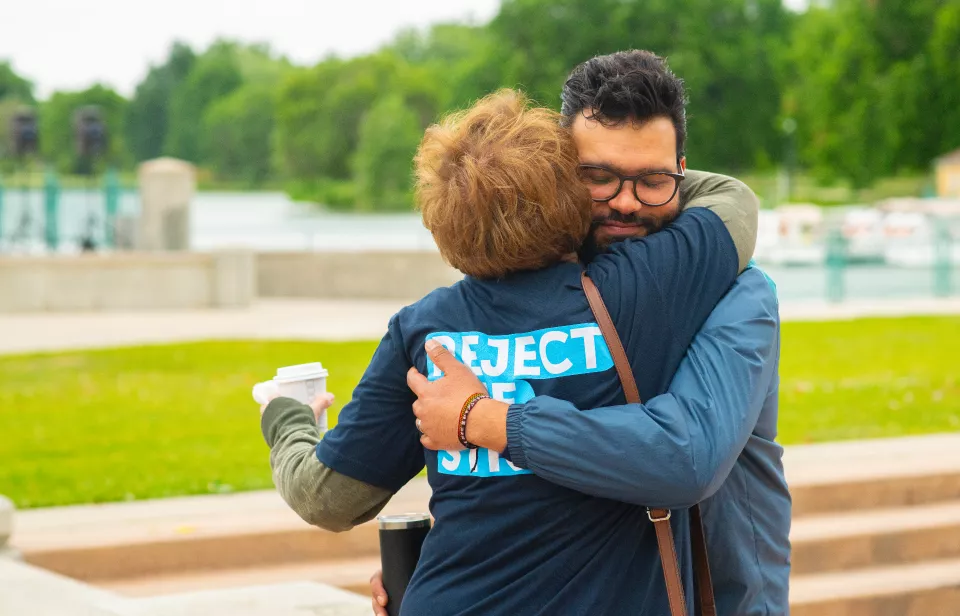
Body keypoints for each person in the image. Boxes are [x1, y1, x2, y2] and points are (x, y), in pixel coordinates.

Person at [260, 60, 774, 616]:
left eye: (652, 180)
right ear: (563, 183)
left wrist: (286, 415)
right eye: (597, 177)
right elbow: (735, 202)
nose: (626, 201)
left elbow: (326, 498)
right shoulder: (643, 291)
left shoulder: (426, 329)